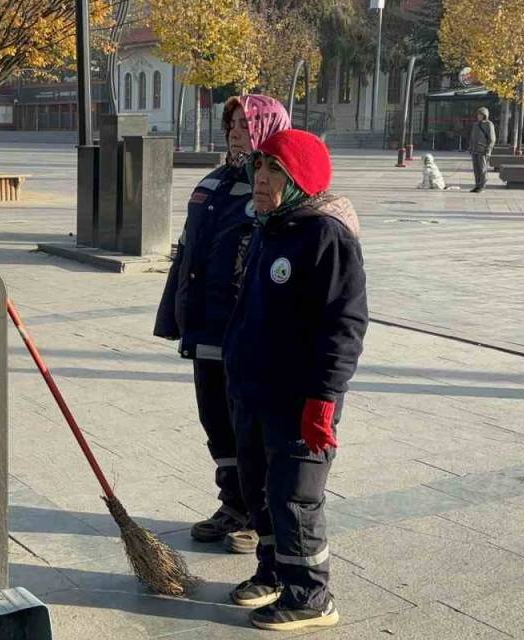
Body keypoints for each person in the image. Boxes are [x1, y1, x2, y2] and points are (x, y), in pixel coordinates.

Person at [222, 129, 367, 632]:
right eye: (258, 168)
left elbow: (343, 324)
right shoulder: (271, 225)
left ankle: (311, 595)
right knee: (258, 488)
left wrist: (324, 399)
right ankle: (273, 572)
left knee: (295, 496)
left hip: (300, 398)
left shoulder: (326, 235)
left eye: (275, 171)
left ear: (300, 178)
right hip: (254, 390)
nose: (261, 179)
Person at [154, 95, 291, 554]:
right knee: (215, 419)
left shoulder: (275, 187)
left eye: (246, 123)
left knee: (250, 424)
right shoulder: (212, 182)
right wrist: (175, 314)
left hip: (246, 329)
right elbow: (187, 253)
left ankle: (260, 513)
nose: (235, 130)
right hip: (205, 326)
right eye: (232, 123)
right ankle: (233, 502)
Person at [469, 106, 496, 193]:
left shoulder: (489, 124)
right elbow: (472, 137)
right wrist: (470, 146)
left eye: (481, 114)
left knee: (482, 169)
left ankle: (482, 186)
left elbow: (492, 139)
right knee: (476, 169)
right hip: (475, 150)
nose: (479, 116)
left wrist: (488, 150)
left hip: (483, 150)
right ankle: (477, 185)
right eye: (478, 114)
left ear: (485, 115)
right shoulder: (475, 124)